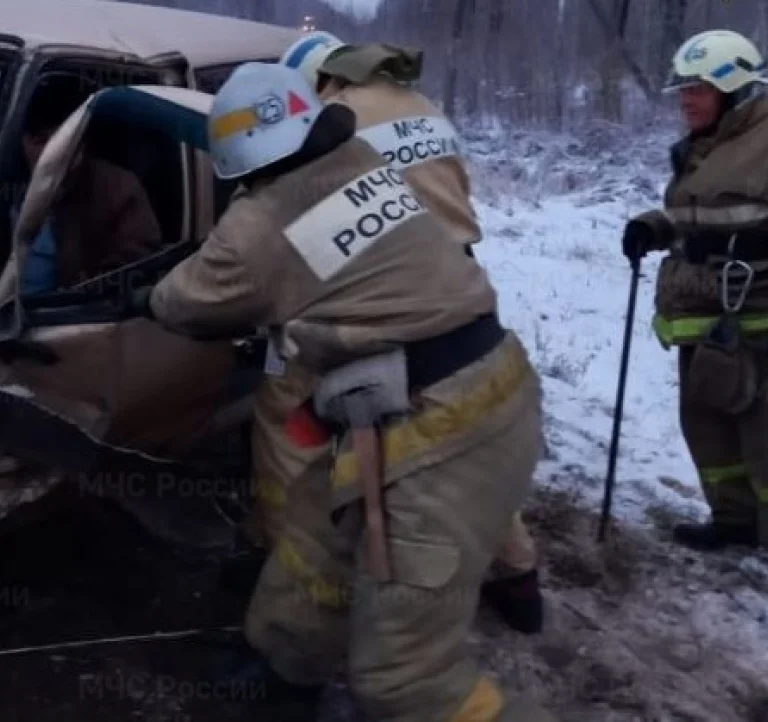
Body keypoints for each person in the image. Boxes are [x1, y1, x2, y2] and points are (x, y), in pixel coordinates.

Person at [134, 61, 555, 722]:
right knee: (316, 538)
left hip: (450, 427)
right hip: (453, 386)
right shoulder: (360, 160)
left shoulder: (255, 229)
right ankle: (284, 669)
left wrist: (142, 290)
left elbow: (181, 304)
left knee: (403, 679)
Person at [253, 30, 547, 634]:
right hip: (458, 291)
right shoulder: (419, 104)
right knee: (458, 439)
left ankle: (285, 568)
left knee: (287, 418)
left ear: (316, 81)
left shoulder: (331, 122)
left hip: (381, 297)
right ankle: (516, 575)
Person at [622, 30, 768, 598]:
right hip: (705, 316)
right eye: (683, 89)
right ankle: (735, 520)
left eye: (698, 89)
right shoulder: (704, 146)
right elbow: (703, 215)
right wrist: (654, 226)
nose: (686, 100)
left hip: (766, 320)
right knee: (707, 424)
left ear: (735, 91)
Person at [17, 86, 162, 294]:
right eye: (40, 141)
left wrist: (82, 293)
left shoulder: (117, 188)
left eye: (61, 141)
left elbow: (137, 265)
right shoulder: (1, 180)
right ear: (23, 142)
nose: (50, 152)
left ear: (81, 143)